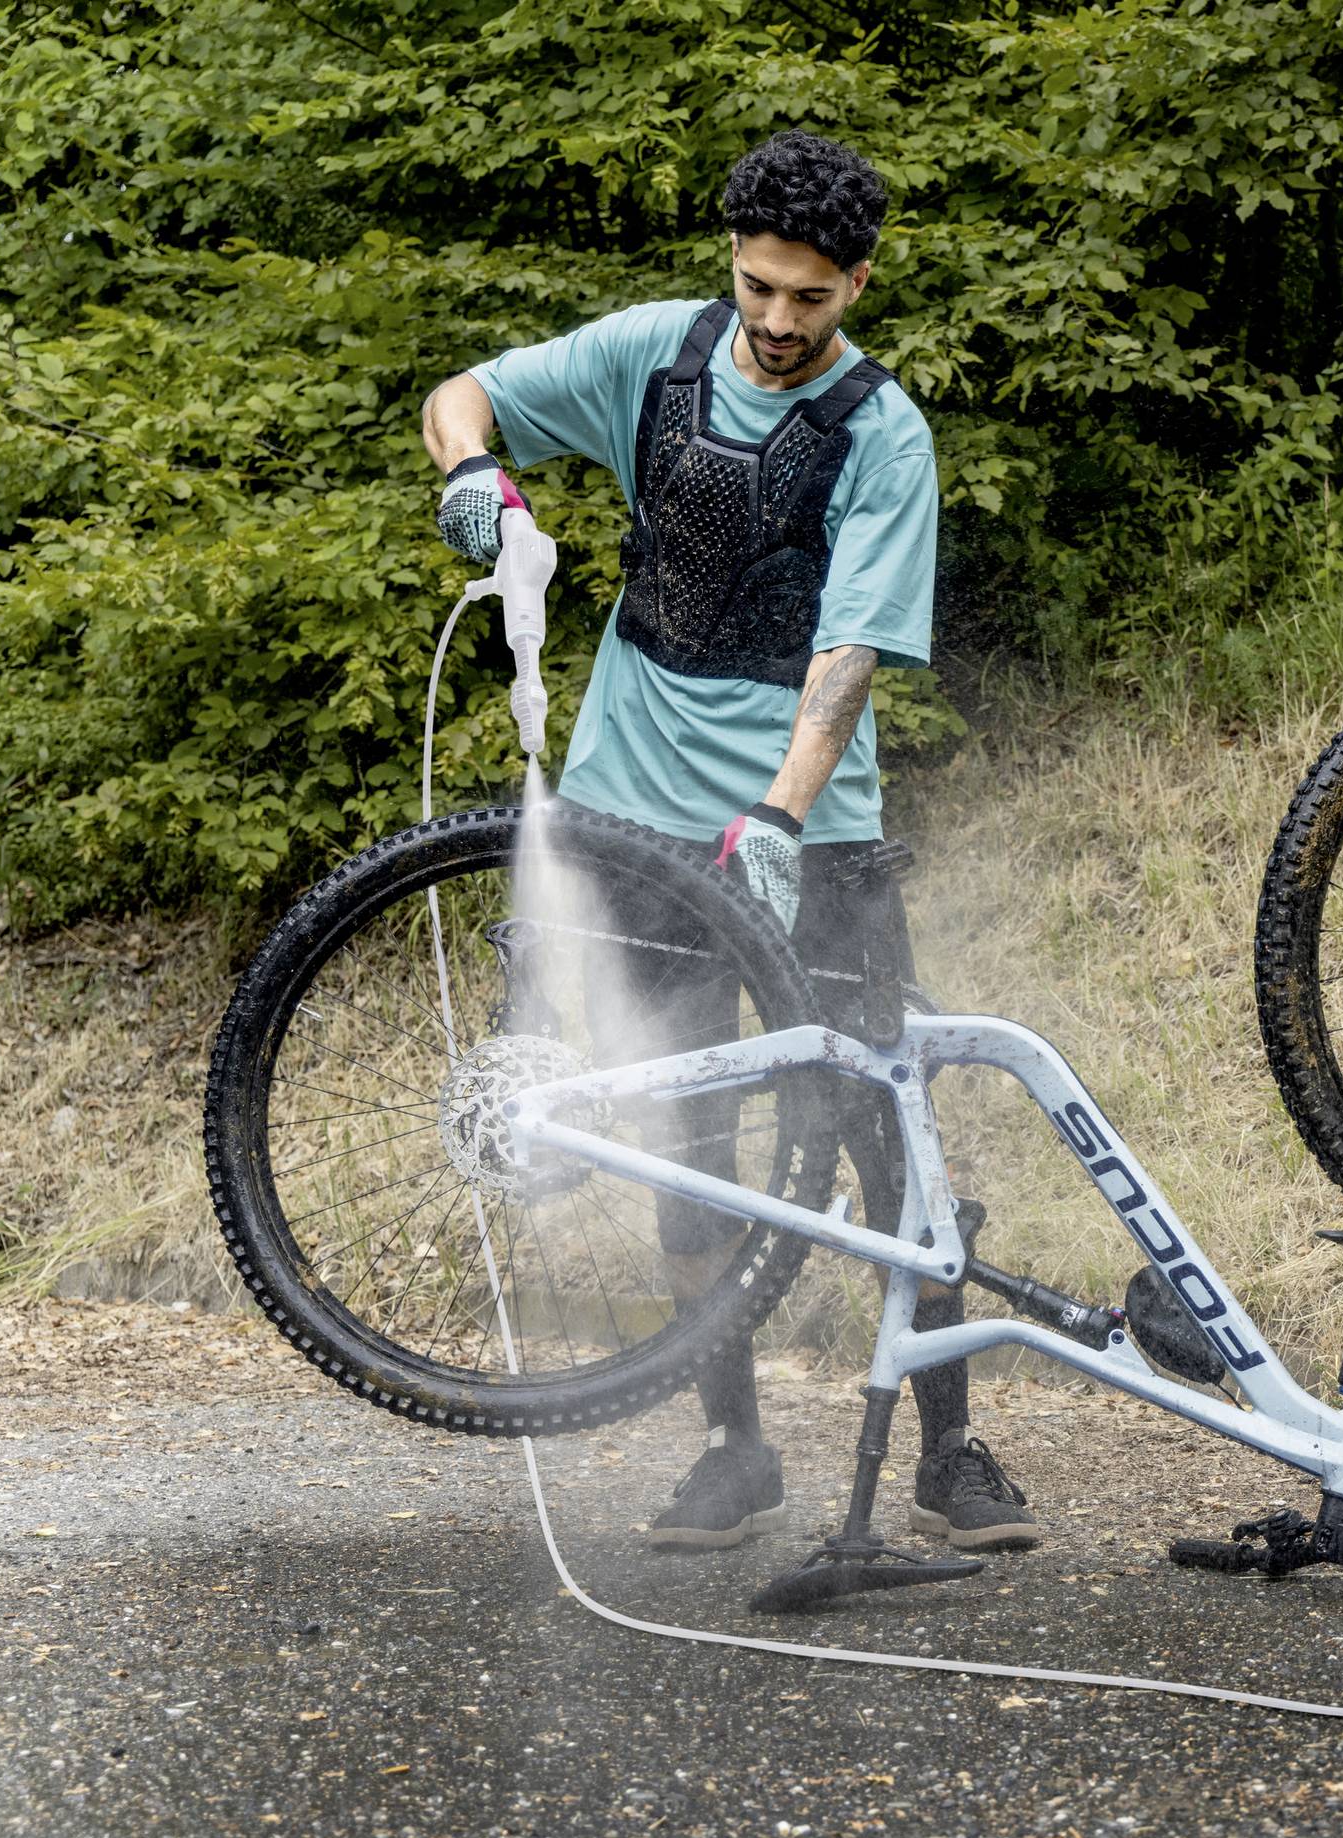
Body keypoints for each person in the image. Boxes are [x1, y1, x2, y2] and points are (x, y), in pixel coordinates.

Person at [416, 129, 1039, 1556]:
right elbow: (464, 395)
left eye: (809, 300)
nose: (775, 322)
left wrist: (779, 813)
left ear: (857, 286)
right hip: (630, 811)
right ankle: (733, 1447)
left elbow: (850, 655)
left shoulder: (883, 433)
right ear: (734, 267)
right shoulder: (657, 356)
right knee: (689, 1146)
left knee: (891, 1132)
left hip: (813, 831)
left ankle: (953, 1453)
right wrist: (476, 480)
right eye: (758, 288)